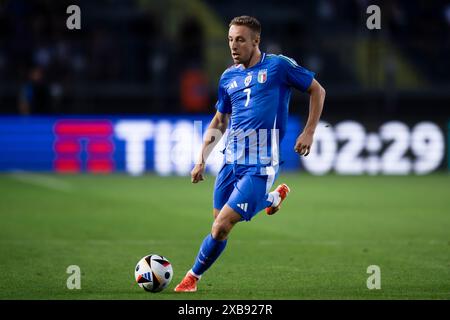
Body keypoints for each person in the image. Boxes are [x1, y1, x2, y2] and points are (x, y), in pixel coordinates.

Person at [174, 16, 326, 292]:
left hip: (262, 162)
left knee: (221, 226)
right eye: (231, 39)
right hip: (231, 161)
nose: (234, 45)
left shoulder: (279, 66)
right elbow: (220, 120)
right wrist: (201, 159)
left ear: (256, 41)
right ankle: (271, 198)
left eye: (241, 39)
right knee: (218, 225)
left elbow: (317, 90)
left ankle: (191, 278)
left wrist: (309, 131)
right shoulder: (227, 76)